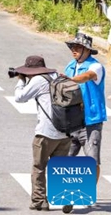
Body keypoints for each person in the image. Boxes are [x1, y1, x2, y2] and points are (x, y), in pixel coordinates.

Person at [12, 55, 69, 212]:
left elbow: (19, 98)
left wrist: (21, 80)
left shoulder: (37, 80)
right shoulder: (57, 76)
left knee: (39, 167)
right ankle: (67, 196)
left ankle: (39, 201)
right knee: (61, 167)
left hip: (46, 132)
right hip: (65, 132)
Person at [63, 33, 106, 187]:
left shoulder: (96, 66)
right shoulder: (70, 66)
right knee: (66, 158)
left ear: (87, 50)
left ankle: (88, 191)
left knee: (92, 160)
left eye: (78, 47)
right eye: (72, 47)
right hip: (71, 120)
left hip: (91, 120)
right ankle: (66, 191)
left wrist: (72, 79)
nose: (74, 50)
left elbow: (88, 76)